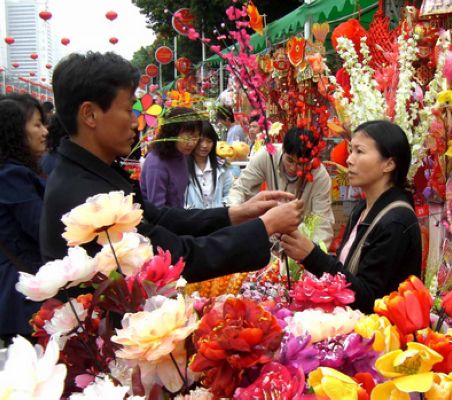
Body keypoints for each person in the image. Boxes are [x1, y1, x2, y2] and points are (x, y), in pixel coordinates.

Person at [41, 51, 303, 284]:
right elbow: (173, 256)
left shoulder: (96, 173)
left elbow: (159, 217)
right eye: (128, 109)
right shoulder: (86, 198)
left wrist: (235, 214)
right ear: (90, 115)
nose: (136, 123)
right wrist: (263, 227)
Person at [281, 120, 422, 313]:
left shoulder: (395, 221)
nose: (349, 160)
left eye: (359, 151)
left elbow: (369, 299)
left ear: (389, 164)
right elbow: (347, 276)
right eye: (350, 150)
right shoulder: (362, 209)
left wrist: (312, 256)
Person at [228, 127, 335, 246]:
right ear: (283, 148)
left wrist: (313, 253)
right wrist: (235, 214)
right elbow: (241, 188)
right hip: (268, 237)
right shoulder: (267, 156)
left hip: (301, 241)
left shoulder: (319, 176)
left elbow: (322, 221)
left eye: (300, 164)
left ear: (310, 160)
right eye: (289, 160)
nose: (293, 168)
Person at [0, 94, 48, 343]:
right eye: (37, 124)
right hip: (22, 299)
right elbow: (42, 228)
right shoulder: (12, 176)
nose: (44, 131)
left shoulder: (20, 171)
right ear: (16, 131)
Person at [140, 107, 200, 208]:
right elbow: (157, 209)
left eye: (196, 137)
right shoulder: (156, 164)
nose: (192, 143)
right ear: (172, 134)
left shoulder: (181, 155)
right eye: (187, 137)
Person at [185, 121, 233, 209]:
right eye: (200, 141)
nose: (204, 145)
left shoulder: (222, 166)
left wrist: (223, 208)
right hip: (191, 220)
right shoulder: (182, 167)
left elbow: (230, 193)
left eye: (209, 141)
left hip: (219, 220)